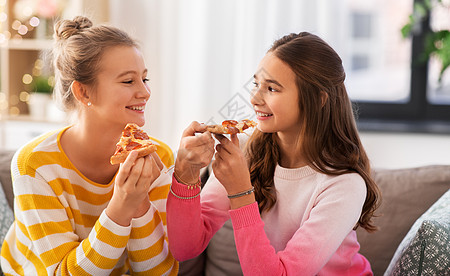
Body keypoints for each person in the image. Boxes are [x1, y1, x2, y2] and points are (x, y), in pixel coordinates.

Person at [167, 32, 381, 275]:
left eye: (272, 88)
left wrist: (240, 193)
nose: (255, 98)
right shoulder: (246, 156)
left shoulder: (344, 185)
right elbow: (184, 249)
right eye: (257, 84)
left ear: (319, 99)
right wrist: (185, 176)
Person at [0, 16, 178, 275]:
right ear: (83, 92)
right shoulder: (35, 165)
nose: (145, 92)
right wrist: (121, 205)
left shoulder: (156, 156)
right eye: (128, 81)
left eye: (145, 79)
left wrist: (139, 204)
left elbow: (159, 273)